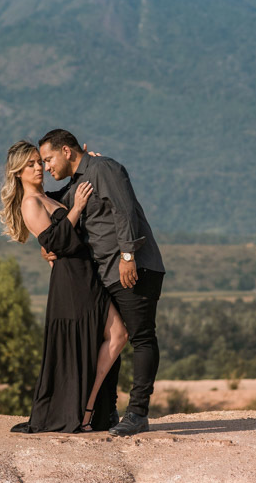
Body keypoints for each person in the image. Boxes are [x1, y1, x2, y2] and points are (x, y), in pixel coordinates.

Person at [38, 129, 165, 437]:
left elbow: (124, 210)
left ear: (67, 151)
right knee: (110, 339)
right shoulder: (77, 182)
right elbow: (59, 207)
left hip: (132, 268)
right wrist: (28, 189)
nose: (46, 167)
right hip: (106, 273)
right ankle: (108, 412)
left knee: (142, 338)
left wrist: (127, 255)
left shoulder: (103, 168)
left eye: (48, 159)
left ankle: (138, 414)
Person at [0, 140, 128, 433]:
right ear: (18, 172)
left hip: (84, 274)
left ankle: (88, 410)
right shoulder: (29, 203)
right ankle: (85, 411)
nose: (39, 168)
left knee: (111, 337)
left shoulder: (47, 197)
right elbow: (54, 242)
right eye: (31, 164)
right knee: (117, 334)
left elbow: (71, 195)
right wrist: (78, 207)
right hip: (70, 280)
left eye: (39, 162)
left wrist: (87, 165)